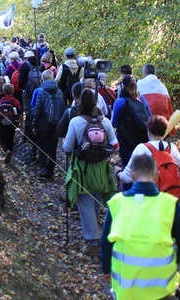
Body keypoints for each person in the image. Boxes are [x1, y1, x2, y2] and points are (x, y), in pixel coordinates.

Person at [101, 154, 180, 300]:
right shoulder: (170, 204)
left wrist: (106, 268)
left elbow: (106, 243)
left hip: (126, 291)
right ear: (157, 175)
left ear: (132, 176)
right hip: (162, 290)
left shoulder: (116, 203)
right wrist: (166, 257)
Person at [63, 88, 119, 255]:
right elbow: (115, 146)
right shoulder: (105, 122)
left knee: (86, 203)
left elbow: (67, 147)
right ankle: (94, 237)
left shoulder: (76, 122)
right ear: (96, 103)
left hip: (82, 168)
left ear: (80, 102)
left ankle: (93, 241)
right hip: (101, 168)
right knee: (96, 202)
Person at [116, 115, 180, 188]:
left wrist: (118, 172)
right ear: (165, 130)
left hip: (149, 196)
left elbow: (127, 178)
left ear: (149, 131)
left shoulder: (141, 149)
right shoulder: (172, 148)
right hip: (171, 196)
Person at [111, 75, 152, 169]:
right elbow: (150, 117)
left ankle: (128, 183)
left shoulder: (119, 102)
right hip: (142, 138)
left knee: (128, 167)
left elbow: (114, 123)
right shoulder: (142, 100)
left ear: (123, 86)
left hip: (126, 140)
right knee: (141, 166)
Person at [31, 70, 65, 180]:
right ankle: (51, 171)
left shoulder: (41, 92)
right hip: (55, 126)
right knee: (53, 148)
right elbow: (62, 109)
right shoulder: (59, 92)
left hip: (42, 125)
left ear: (42, 79)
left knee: (41, 146)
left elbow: (37, 110)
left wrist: (34, 125)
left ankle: (43, 169)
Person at [0, 83, 22, 164]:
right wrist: (20, 121)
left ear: (3, 92)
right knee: (11, 139)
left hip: (2, 124)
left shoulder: (1, 101)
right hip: (12, 124)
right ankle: (10, 153)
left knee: (2, 139)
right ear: (12, 91)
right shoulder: (15, 101)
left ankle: (6, 150)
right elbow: (19, 111)